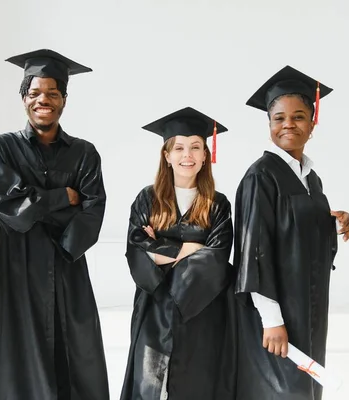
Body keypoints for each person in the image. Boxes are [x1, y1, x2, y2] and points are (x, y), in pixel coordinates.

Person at [0, 49, 109, 400]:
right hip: (18, 268)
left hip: (68, 266)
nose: (43, 100)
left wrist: (35, 206)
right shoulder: (2, 150)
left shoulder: (84, 153)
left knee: (77, 354)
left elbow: (93, 211)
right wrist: (61, 198)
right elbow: (8, 210)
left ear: (64, 99)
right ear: (23, 97)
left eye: (53, 93)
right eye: (35, 93)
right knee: (20, 354)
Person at [234, 65, 349, 400]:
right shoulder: (260, 176)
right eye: (279, 118)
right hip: (277, 311)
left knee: (307, 389)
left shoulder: (310, 178)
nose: (289, 124)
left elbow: (299, 235)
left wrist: (334, 223)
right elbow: (254, 250)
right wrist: (271, 319)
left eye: (299, 116)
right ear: (269, 125)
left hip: (310, 305)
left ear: (312, 124)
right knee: (279, 390)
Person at [120, 107, 236, 400]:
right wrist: (191, 248)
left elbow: (217, 258)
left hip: (202, 310)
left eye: (196, 147)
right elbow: (136, 250)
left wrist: (159, 249)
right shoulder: (148, 198)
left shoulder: (217, 204)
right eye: (179, 147)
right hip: (153, 306)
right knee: (149, 384)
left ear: (205, 154)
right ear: (167, 155)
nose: (188, 154)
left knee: (196, 382)